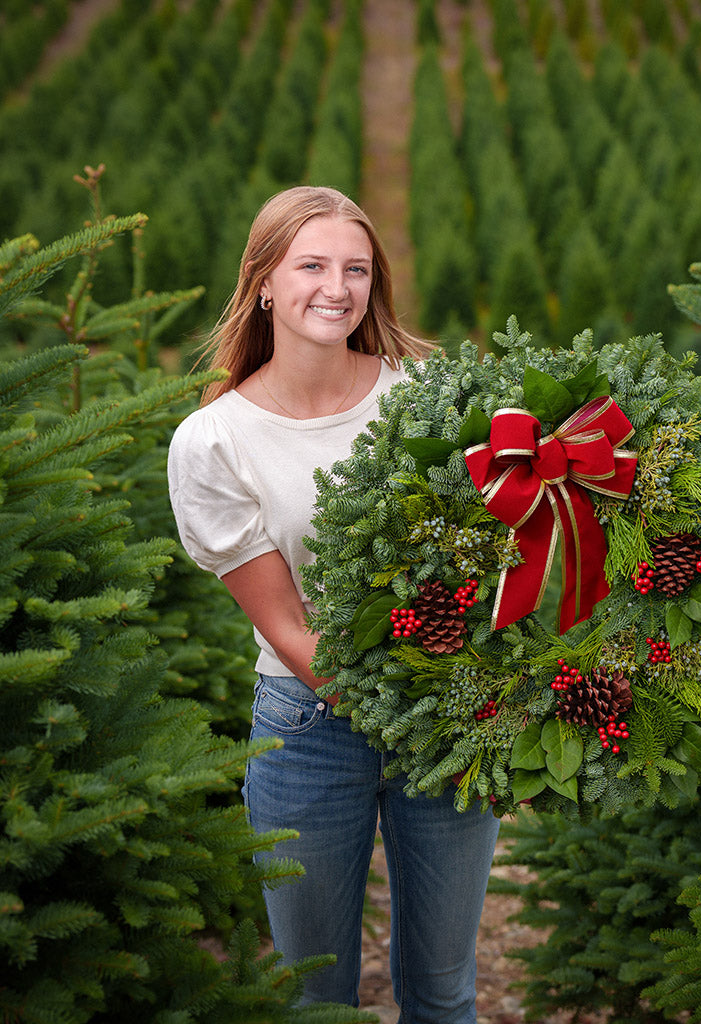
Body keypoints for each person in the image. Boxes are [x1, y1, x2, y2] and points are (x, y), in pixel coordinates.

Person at [167, 186, 501, 1020]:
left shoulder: (423, 394)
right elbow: (284, 625)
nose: (336, 287)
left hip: (443, 715)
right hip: (310, 725)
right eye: (311, 265)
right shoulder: (215, 441)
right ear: (264, 284)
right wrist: (401, 707)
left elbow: (495, 552)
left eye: (356, 269)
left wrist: (472, 707)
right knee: (316, 997)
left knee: (444, 992)